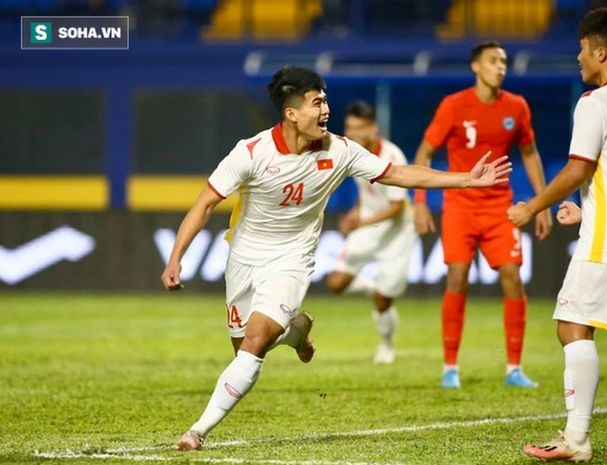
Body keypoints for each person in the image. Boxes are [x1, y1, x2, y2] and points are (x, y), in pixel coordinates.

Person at [161, 66, 512, 451]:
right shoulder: (251, 152)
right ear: (291, 113)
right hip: (244, 257)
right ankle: (296, 332)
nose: (326, 109)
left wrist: (465, 179)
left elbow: (399, 174)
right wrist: (176, 258)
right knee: (244, 344)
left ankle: (197, 430)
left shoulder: (340, 150)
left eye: (325, 99)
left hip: (292, 259)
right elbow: (205, 203)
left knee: (255, 344)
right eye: (317, 102)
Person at [509, 8, 607, 462]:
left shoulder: (595, 101)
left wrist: (531, 205)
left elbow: (579, 167)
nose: (578, 57)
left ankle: (575, 441)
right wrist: (587, 207)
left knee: (572, 325)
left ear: (601, 51)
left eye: (581, 48)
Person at [413, 40, 552, 389]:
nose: (500, 67)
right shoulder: (454, 105)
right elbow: (426, 151)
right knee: (457, 276)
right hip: (460, 205)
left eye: (503, 61)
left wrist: (541, 202)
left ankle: (514, 368)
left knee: (513, 277)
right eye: (493, 61)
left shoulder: (517, 107)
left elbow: (530, 152)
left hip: (498, 207)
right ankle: (450, 368)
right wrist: (419, 201)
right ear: (476, 66)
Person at [326, 100, 417, 364]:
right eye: (349, 128)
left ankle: (386, 347)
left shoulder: (392, 156)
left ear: (373, 128)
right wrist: (356, 211)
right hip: (368, 224)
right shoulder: (353, 152)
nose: (353, 134)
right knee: (336, 283)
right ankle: (369, 285)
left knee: (384, 299)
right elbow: (367, 192)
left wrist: (359, 223)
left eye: (359, 128)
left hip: (396, 232)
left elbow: (397, 208)